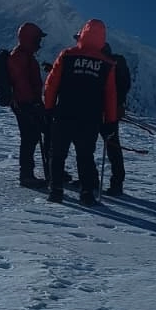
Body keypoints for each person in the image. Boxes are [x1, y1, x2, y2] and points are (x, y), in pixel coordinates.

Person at [43, 18, 119, 206]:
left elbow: (51, 84)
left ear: (83, 33)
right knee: (85, 156)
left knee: (57, 153)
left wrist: (48, 108)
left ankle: (55, 191)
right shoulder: (107, 64)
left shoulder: (67, 55)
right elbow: (110, 96)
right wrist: (110, 122)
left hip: (64, 113)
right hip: (90, 119)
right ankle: (86, 194)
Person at [7, 21, 48, 188]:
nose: (39, 43)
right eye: (38, 39)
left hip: (27, 103)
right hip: (25, 104)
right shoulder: (20, 57)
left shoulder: (25, 55)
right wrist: (33, 103)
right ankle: (26, 175)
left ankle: (33, 173)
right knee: (30, 138)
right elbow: (22, 83)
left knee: (32, 137)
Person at [101, 42, 131, 196]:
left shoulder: (104, 63)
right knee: (113, 147)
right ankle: (117, 183)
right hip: (111, 111)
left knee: (86, 145)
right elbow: (125, 86)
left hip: (96, 110)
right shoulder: (118, 62)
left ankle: (89, 178)